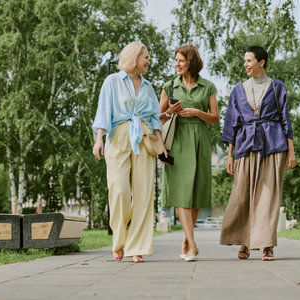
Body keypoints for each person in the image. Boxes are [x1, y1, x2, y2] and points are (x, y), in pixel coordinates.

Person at [92, 42, 167, 263]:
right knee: (119, 191)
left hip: (144, 137)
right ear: (134, 57)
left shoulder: (148, 86)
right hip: (118, 136)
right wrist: (98, 141)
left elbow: (155, 118)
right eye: (146, 57)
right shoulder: (112, 81)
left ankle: (138, 247)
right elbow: (103, 113)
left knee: (144, 194)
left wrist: (161, 146)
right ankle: (119, 239)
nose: (148, 61)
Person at [220, 46, 296, 261]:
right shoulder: (238, 89)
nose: (245, 64)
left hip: (273, 144)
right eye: (244, 60)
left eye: (249, 60)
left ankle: (267, 245)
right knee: (243, 195)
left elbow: (285, 120)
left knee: (268, 196)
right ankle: (245, 240)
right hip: (245, 145)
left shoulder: (277, 86)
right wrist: (229, 155)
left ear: (261, 62)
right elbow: (231, 124)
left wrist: (291, 152)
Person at [159, 44, 219, 262]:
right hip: (178, 140)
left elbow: (215, 117)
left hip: (200, 141)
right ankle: (193, 245)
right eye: (175, 60)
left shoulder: (208, 86)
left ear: (191, 62)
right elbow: (158, 118)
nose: (177, 64)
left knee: (196, 193)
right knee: (182, 192)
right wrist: (169, 111)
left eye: (181, 60)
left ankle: (186, 238)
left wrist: (197, 112)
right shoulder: (169, 86)